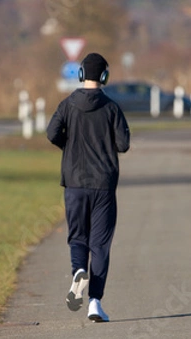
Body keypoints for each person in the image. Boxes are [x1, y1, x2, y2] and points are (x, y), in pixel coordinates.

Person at [47, 52, 130, 322]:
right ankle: (95, 302)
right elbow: (123, 145)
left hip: (74, 183)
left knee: (78, 237)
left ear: (81, 75)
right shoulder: (112, 108)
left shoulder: (67, 104)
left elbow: (51, 133)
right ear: (105, 76)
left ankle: (77, 271)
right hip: (103, 185)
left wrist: (68, 147)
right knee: (100, 245)